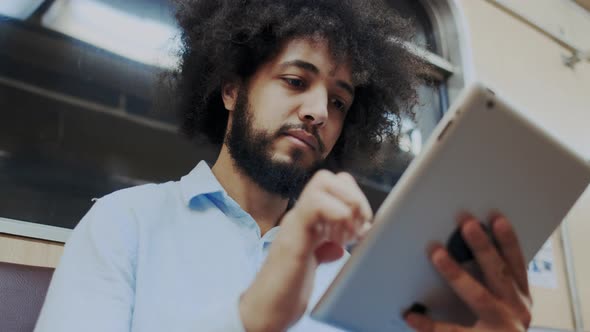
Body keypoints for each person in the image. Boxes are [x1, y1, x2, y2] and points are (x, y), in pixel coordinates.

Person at [35, 0, 532, 331]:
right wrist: (250, 318)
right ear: (232, 90)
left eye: (339, 102)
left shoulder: (354, 267)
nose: (319, 111)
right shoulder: (124, 224)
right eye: (296, 81)